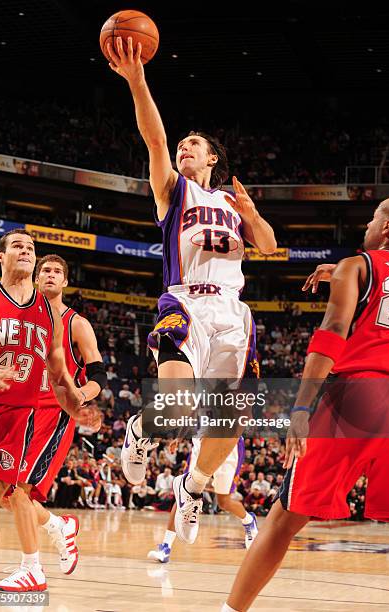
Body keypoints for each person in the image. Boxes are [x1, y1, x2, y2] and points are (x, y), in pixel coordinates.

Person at [107, 36, 276, 545]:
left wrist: (250, 215)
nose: (183, 148)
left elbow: (267, 246)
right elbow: (154, 141)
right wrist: (138, 82)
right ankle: (138, 431)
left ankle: (192, 485)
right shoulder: (175, 191)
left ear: (213, 158)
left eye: (193, 145)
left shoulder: (232, 200)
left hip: (233, 311)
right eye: (182, 144)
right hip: (184, 300)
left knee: (232, 418)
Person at [223, 199, 389, 611]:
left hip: (361, 394)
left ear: (387, 228)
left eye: (373, 219)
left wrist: (300, 409)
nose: (367, 226)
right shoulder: (351, 270)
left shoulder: (360, 264)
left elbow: (334, 330)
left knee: (285, 517)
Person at [0, 253, 106, 592]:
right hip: (16, 411)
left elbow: (98, 372)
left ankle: (32, 569)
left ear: (66, 281)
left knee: (18, 490)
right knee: (0, 492)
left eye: (58, 271)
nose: (51, 275)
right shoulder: (20, 315)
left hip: (51, 413)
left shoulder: (75, 322)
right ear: (37, 277)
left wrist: (81, 397)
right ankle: (58, 525)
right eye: (46, 270)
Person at [148, 437, 258, 563]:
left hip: (230, 442)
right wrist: (180, 436)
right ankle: (165, 547)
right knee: (185, 493)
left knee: (223, 502)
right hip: (203, 439)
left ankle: (248, 520)